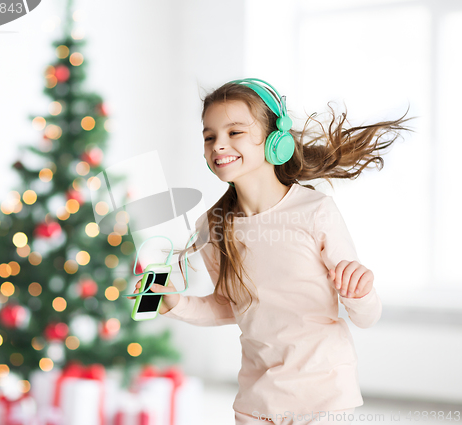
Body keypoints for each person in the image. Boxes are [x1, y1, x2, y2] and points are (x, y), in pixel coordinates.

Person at [127, 78, 413, 424]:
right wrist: (177, 304)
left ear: (276, 140)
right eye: (209, 136)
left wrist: (360, 292)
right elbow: (230, 305)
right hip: (257, 396)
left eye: (235, 133)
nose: (218, 145)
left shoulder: (314, 210)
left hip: (322, 393)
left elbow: (367, 317)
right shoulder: (212, 226)